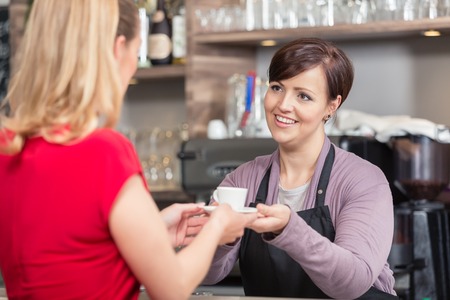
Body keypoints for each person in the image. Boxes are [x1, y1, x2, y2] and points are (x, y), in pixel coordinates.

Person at [0, 1, 257, 299]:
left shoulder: (9, 147)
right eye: (136, 54)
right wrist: (218, 227)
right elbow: (172, 288)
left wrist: (155, 231)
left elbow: (67, 251)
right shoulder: (103, 152)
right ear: (116, 49)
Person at [202, 38, 398, 299]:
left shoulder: (363, 180)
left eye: (303, 96)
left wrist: (289, 229)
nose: (283, 105)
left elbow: (352, 282)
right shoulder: (242, 180)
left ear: (331, 106)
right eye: (277, 88)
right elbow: (206, 273)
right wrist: (221, 236)